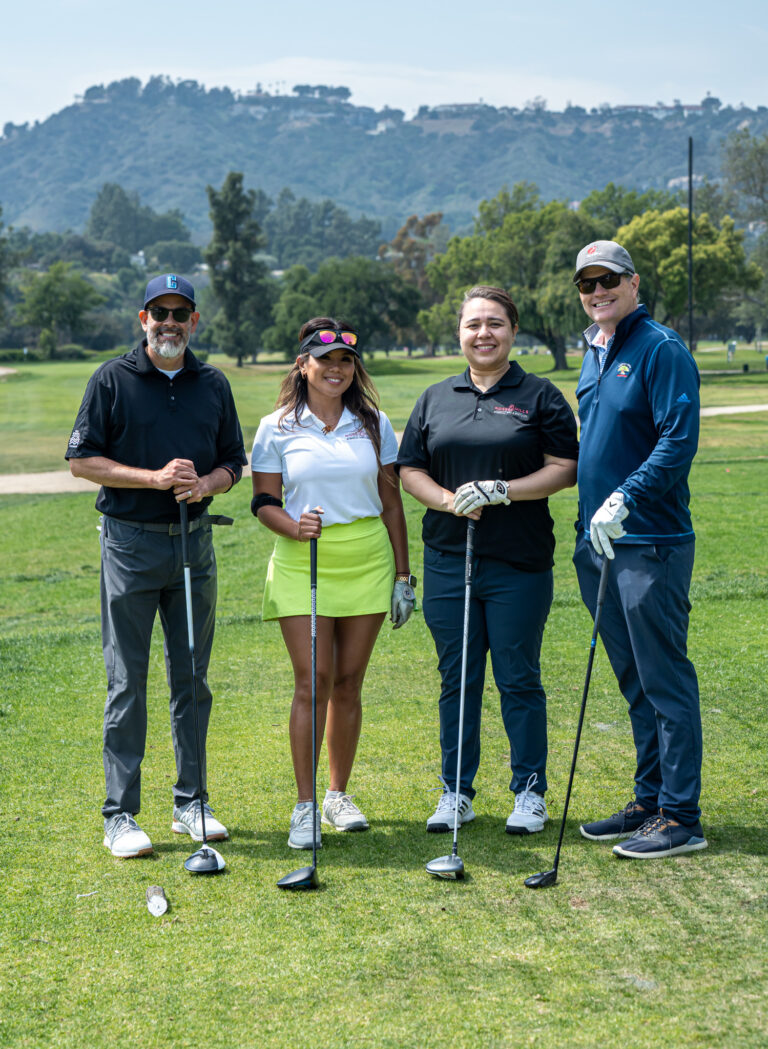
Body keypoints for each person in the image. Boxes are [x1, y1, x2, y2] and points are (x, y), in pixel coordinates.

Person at [66, 273, 246, 858]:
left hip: (194, 543)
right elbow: (82, 461)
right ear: (142, 319)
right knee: (128, 683)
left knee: (191, 679)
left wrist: (205, 484)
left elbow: (232, 464)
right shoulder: (112, 379)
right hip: (130, 545)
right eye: (159, 312)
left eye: (180, 313)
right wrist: (154, 479)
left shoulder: (212, 383)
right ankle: (120, 814)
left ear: (195, 321)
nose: (169, 322)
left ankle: (191, 803)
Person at [398, 286, 578, 835]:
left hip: (518, 564)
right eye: (473, 323)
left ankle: (529, 792)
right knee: (458, 677)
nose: (483, 333)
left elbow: (565, 468)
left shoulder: (540, 394)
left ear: (512, 331)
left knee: (519, 677)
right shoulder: (435, 398)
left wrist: (503, 489)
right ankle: (456, 791)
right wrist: (448, 500)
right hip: (451, 560)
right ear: (460, 332)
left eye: (495, 323)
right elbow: (410, 469)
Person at [250, 317, 413, 850]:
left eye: (346, 361)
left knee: (347, 682)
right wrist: (295, 527)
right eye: (325, 361)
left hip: (367, 559)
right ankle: (304, 806)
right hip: (303, 559)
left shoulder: (374, 423)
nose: (336, 370)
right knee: (312, 680)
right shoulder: (276, 426)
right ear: (304, 365)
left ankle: (337, 795)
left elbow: (392, 503)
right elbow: (263, 503)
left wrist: (404, 575)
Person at [571, 240, 707, 859]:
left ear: (633, 282)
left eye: (608, 281)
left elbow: (677, 440)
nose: (597, 292)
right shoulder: (595, 351)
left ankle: (680, 817)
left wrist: (625, 496)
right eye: (586, 284)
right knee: (633, 679)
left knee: (663, 677)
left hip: (647, 542)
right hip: (597, 545)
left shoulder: (661, 348)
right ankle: (650, 801)